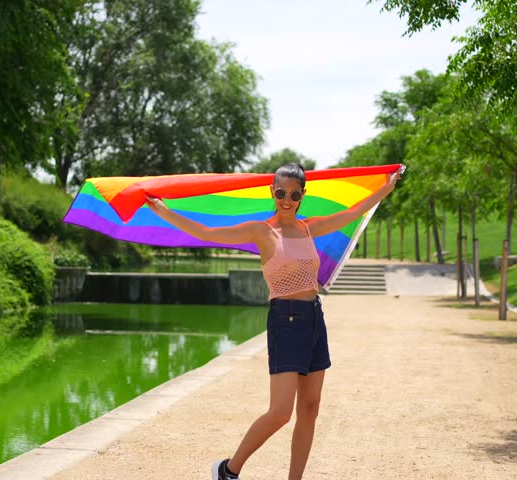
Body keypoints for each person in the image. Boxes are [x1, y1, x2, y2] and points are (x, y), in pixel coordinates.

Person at [145, 163, 402, 480]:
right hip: (285, 319)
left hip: (313, 318)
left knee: (310, 408)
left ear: (302, 195)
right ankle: (227, 469)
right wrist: (163, 211)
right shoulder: (262, 232)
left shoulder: (309, 228)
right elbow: (206, 233)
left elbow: (352, 213)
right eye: (281, 192)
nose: (287, 199)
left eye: (294, 194)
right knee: (280, 412)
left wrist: (386, 188)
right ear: (272, 191)